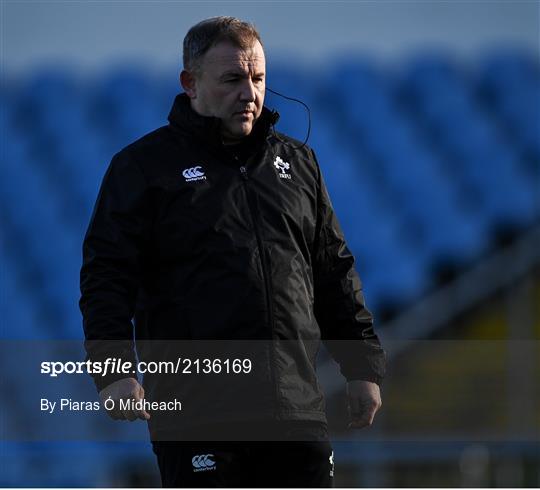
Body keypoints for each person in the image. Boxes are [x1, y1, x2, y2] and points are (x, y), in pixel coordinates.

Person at [80, 16, 386, 488]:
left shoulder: (298, 163)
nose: (249, 93)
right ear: (190, 83)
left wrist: (362, 366)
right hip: (199, 416)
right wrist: (114, 372)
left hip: (296, 411)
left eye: (258, 78)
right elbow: (106, 277)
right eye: (232, 79)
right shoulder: (141, 168)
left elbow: (332, 271)